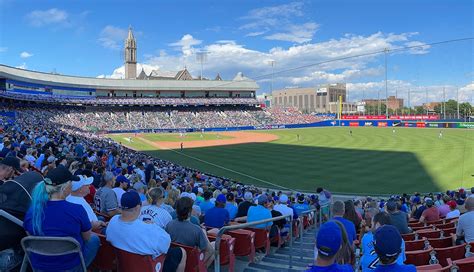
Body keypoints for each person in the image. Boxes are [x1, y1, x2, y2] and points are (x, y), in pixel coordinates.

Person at [23, 166, 100, 271]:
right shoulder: (77, 210)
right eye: (71, 183)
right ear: (65, 187)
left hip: (39, 266)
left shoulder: (32, 211)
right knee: (94, 239)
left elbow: (31, 235)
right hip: (69, 266)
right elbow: (87, 238)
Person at [107, 191, 186, 272]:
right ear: (138, 207)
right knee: (181, 251)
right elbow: (166, 244)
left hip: (122, 265)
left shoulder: (113, 221)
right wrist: (153, 226)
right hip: (145, 267)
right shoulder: (148, 229)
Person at [165, 197, 215, 267]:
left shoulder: (169, 225)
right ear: (190, 211)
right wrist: (198, 266)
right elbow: (210, 251)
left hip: (173, 259)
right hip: (190, 262)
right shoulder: (196, 229)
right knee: (213, 251)